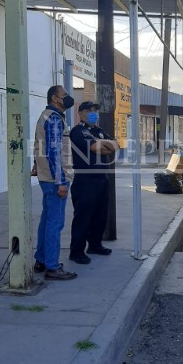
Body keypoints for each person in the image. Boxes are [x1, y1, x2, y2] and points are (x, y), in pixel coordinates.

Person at [32, 85, 76, 280]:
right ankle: (52, 266)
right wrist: (60, 182)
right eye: (64, 94)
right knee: (55, 224)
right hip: (55, 179)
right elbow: (53, 152)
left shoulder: (46, 116)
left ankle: (41, 260)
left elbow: (40, 146)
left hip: (47, 177)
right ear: (55, 98)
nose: (68, 97)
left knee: (47, 220)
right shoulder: (55, 119)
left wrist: (36, 165)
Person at [68, 101, 119, 264]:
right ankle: (76, 251)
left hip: (101, 179)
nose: (94, 113)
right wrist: (105, 146)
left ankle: (95, 245)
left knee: (100, 215)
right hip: (85, 180)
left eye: (95, 110)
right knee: (83, 217)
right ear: (81, 113)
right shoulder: (78, 131)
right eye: (90, 110)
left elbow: (116, 145)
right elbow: (97, 149)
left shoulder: (98, 130)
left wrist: (105, 145)